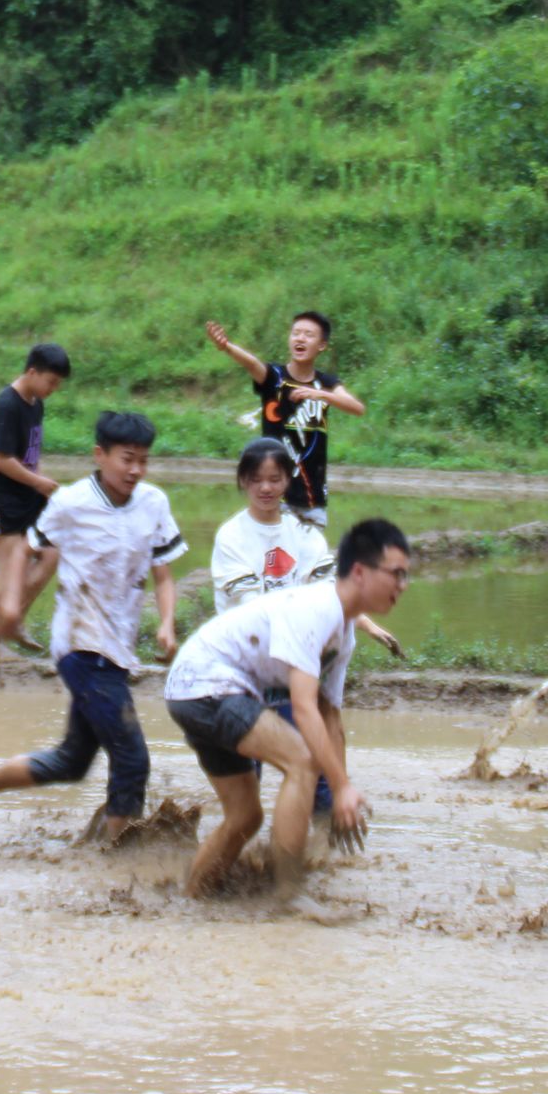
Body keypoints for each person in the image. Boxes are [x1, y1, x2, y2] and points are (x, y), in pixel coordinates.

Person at [0, 412, 186, 846]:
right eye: (127, 459)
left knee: (72, 760)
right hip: (81, 644)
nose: (135, 470)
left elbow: (163, 575)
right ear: (100, 455)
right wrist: (11, 602)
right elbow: (26, 549)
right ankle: (119, 856)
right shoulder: (72, 502)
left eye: (143, 461)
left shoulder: (154, 503)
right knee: (132, 757)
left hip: (118, 646)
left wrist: (167, 624)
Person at [164, 519, 411, 904]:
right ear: (360, 572)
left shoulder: (343, 632)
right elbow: (303, 708)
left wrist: (341, 791)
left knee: (245, 817)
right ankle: (288, 895)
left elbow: (330, 718)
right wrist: (340, 787)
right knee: (302, 762)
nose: (403, 585)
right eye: (396, 574)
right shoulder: (316, 608)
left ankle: (191, 900)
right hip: (206, 683)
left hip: (193, 690)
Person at [211, 438, 398, 816]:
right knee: (248, 766)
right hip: (247, 661)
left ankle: (327, 834)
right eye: (256, 479)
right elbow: (253, 607)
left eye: (274, 479)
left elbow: (330, 592)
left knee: (313, 757)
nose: (266, 488)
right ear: (243, 481)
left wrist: (363, 622)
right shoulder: (231, 537)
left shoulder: (305, 535)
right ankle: (247, 836)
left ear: (288, 480)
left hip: (294, 658)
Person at [204, 314, 361, 527]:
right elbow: (252, 364)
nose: (300, 338)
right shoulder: (275, 377)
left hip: (312, 497)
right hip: (275, 498)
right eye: (296, 333)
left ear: (322, 345)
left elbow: (357, 408)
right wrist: (226, 347)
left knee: (311, 548)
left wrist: (321, 395)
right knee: (272, 548)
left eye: (308, 335)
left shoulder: (326, 383)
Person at [0, 343, 70, 660]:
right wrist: (38, 482)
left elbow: (31, 455)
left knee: (51, 553)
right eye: (51, 382)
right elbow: (1, 460)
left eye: (58, 384)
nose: (54, 389)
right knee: (9, 569)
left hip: (26, 494)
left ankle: (12, 619)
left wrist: (40, 483)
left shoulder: (35, 403)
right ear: (32, 372)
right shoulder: (6, 406)